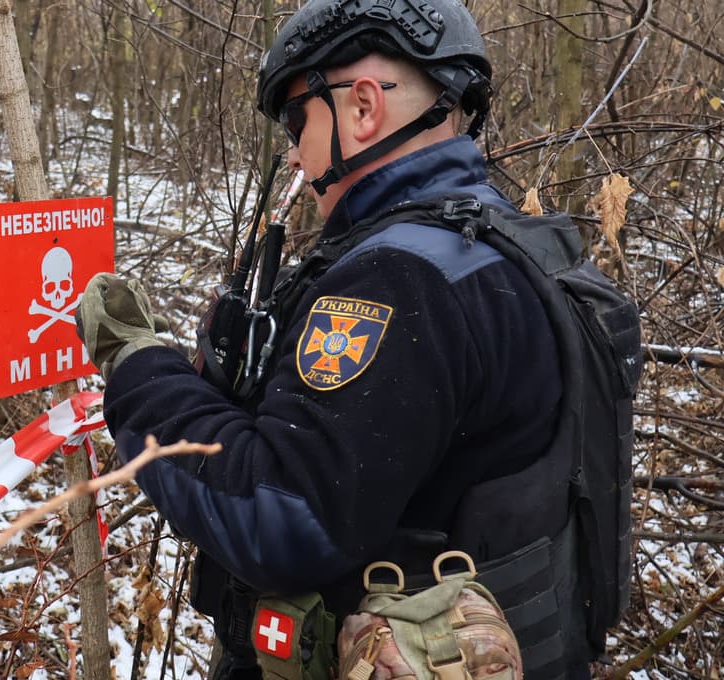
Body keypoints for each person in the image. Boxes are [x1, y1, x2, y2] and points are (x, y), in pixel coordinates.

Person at [76, 1, 612, 678]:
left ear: (362, 107)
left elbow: (281, 515)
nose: (296, 152)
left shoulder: (400, 281)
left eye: (299, 120)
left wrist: (136, 366)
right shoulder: (503, 247)